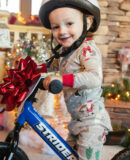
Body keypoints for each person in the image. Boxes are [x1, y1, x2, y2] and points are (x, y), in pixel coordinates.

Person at [39, 0, 112, 159]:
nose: (62, 31)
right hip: (77, 120)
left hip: (92, 121)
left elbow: (94, 77)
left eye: (69, 23)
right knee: (68, 155)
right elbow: (51, 66)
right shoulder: (66, 52)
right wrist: (31, 70)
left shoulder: (87, 49)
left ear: (88, 21)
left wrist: (61, 79)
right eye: (56, 26)